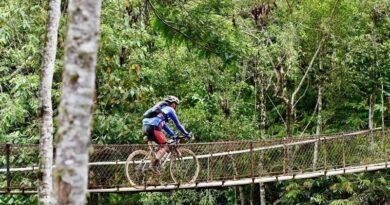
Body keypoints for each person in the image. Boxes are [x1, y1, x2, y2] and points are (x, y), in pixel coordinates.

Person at [142, 96, 191, 175]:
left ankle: (154, 162)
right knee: (166, 146)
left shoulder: (160, 112)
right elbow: (178, 124)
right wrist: (186, 133)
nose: (176, 107)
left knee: (160, 146)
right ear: (173, 104)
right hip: (154, 127)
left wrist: (173, 134)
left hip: (145, 127)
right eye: (176, 104)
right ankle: (153, 165)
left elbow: (164, 126)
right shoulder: (170, 109)